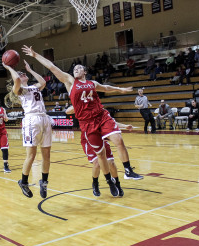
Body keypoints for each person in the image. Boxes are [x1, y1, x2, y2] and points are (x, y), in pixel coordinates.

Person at [22, 45, 142, 198]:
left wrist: (120, 89)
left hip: (101, 116)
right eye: (75, 69)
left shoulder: (92, 83)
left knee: (118, 139)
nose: (76, 69)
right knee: (101, 156)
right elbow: (52, 67)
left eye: (79, 68)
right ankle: (109, 182)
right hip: (87, 123)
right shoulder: (70, 82)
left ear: (85, 71)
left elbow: (105, 87)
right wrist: (35, 55)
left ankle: (127, 170)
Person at [3, 60, 52, 198]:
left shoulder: (34, 87)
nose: (22, 74)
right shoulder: (19, 89)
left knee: (46, 155)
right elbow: (17, 79)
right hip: (31, 120)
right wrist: (8, 67)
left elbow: (43, 82)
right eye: (21, 73)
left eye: (23, 73)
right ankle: (23, 182)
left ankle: (44, 181)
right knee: (31, 155)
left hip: (44, 118)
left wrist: (30, 70)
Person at [66, 106, 137, 197]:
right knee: (97, 163)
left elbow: (110, 121)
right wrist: (79, 102)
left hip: (100, 136)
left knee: (111, 162)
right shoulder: (81, 106)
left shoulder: (97, 107)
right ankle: (95, 183)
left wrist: (124, 126)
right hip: (88, 138)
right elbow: (67, 111)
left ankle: (117, 184)